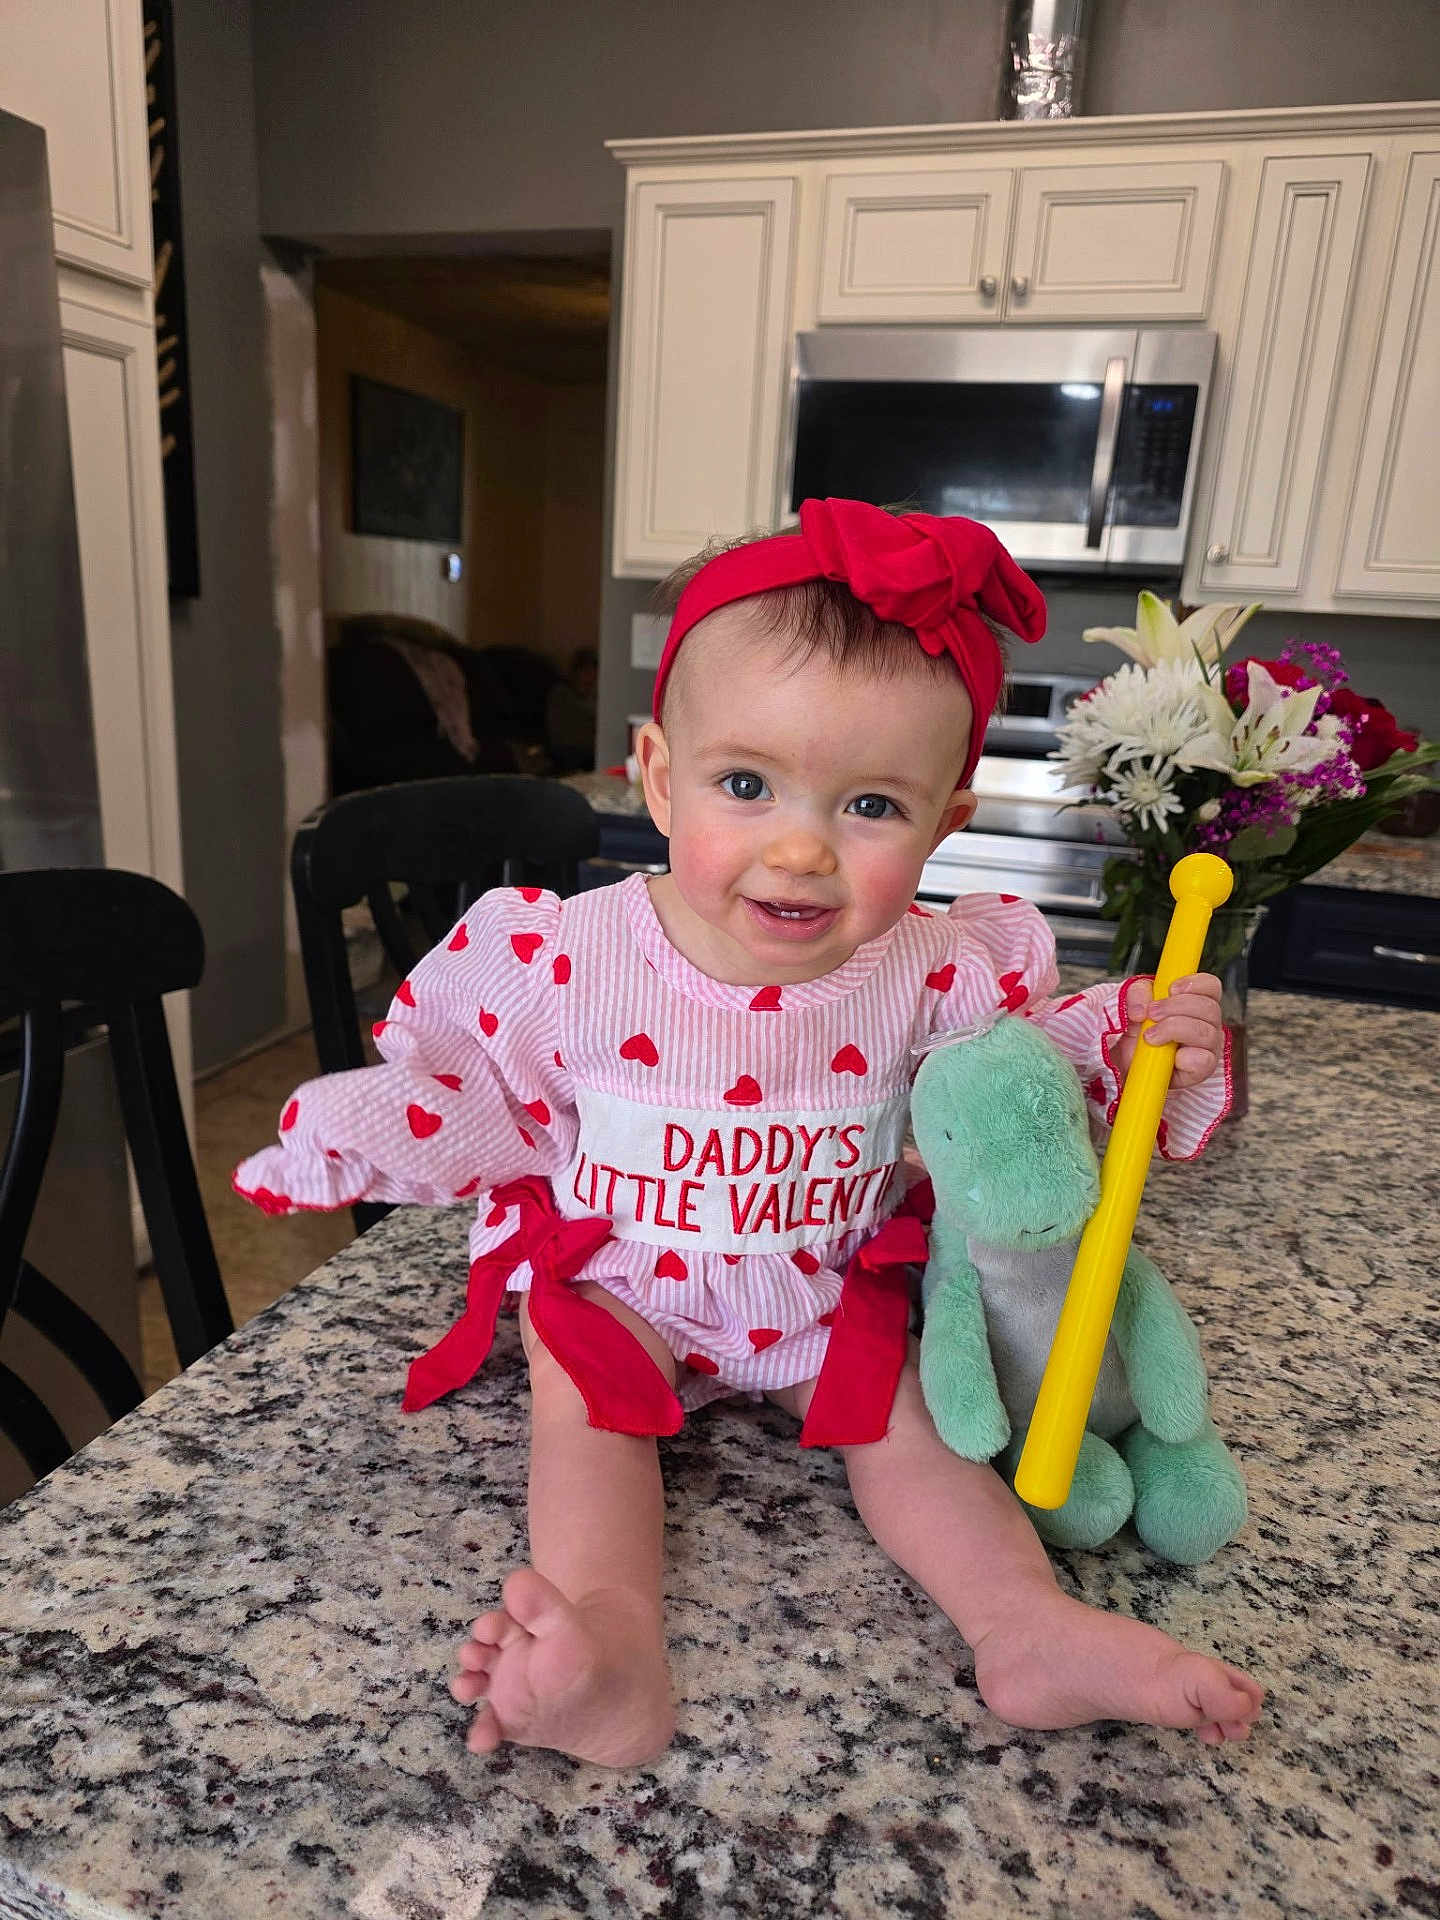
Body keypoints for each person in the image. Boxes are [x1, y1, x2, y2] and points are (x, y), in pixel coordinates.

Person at [234, 499, 1262, 1769]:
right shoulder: (572, 957)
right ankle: (614, 1650)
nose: (798, 849)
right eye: (745, 784)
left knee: (915, 1426)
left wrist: (1132, 1035)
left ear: (946, 822)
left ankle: (1022, 1625)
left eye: (871, 805)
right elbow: (475, 1084)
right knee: (582, 1397)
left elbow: (1008, 1082)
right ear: (658, 776)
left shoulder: (935, 969)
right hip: (628, 1275)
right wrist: (352, 1131)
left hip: (824, 1281)